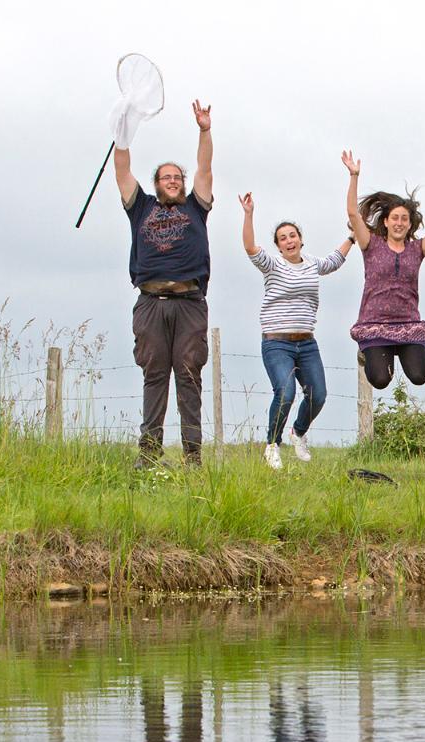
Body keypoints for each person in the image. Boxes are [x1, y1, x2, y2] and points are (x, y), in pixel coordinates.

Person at [111, 100, 215, 466]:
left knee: (188, 376)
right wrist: (122, 133)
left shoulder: (196, 207)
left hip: (189, 302)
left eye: (177, 178)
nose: (173, 181)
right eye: (167, 178)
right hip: (151, 301)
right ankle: (149, 454)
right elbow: (122, 169)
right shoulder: (140, 207)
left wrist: (204, 130)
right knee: (154, 376)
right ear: (156, 185)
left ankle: (193, 457)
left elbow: (205, 167)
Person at [239, 192, 351, 469]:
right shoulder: (272, 265)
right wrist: (249, 214)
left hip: (307, 343)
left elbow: (335, 261)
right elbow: (251, 247)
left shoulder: (312, 264)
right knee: (286, 392)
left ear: (300, 239)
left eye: (292, 235)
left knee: (319, 395)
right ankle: (272, 444)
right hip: (277, 343)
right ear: (278, 246)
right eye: (283, 238)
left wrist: (352, 237)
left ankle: (298, 433)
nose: (289, 240)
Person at [342, 150, 425, 390]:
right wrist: (354, 176)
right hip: (374, 324)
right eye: (394, 218)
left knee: (419, 376)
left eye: (404, 219)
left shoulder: (416, 249)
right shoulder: (371, 244)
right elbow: (353, 213)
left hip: (408, 323)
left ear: (409, 224)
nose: (399, 223)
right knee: (380, 380)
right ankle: (368, 349)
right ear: (386, 221)